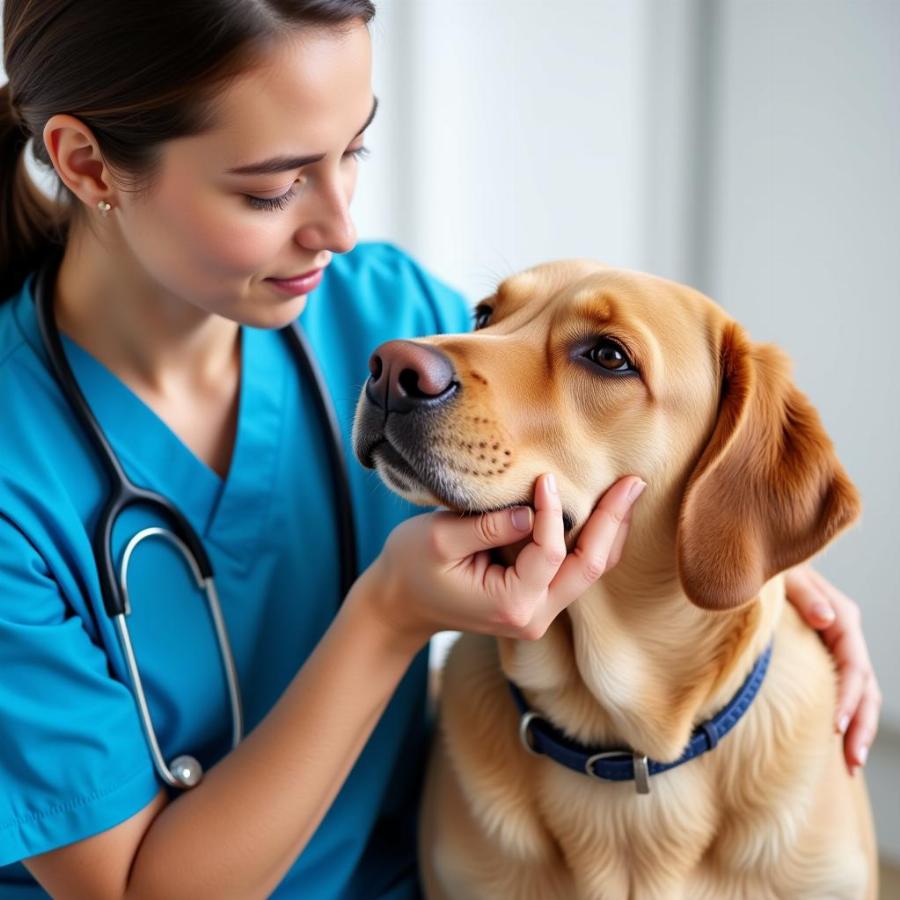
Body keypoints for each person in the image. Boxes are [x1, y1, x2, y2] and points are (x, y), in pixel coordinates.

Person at [0, 2, 881, 897]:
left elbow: (600, 443)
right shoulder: (13, 478)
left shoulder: (380, 315)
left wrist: (751, 577)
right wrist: (388, 617)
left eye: (354, 152)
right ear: (85, 163)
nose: (339, 229)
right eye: (271, 186)